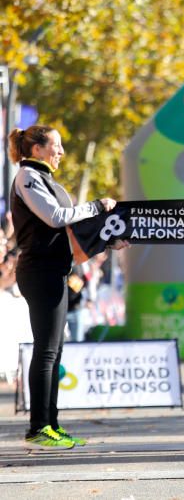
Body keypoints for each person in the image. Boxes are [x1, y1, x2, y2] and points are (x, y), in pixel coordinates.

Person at [9, 125, 128, 450]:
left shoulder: (47, 179)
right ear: (36, 149)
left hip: (56, 270)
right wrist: (96, 206)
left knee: (54, 350)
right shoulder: (27, 177)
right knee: (46, 351)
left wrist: (106, 241)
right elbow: (56, 217)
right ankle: (38, 428)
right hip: (39, 271)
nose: (61, 152)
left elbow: (71, 232)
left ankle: (52, 424)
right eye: (56, 146)